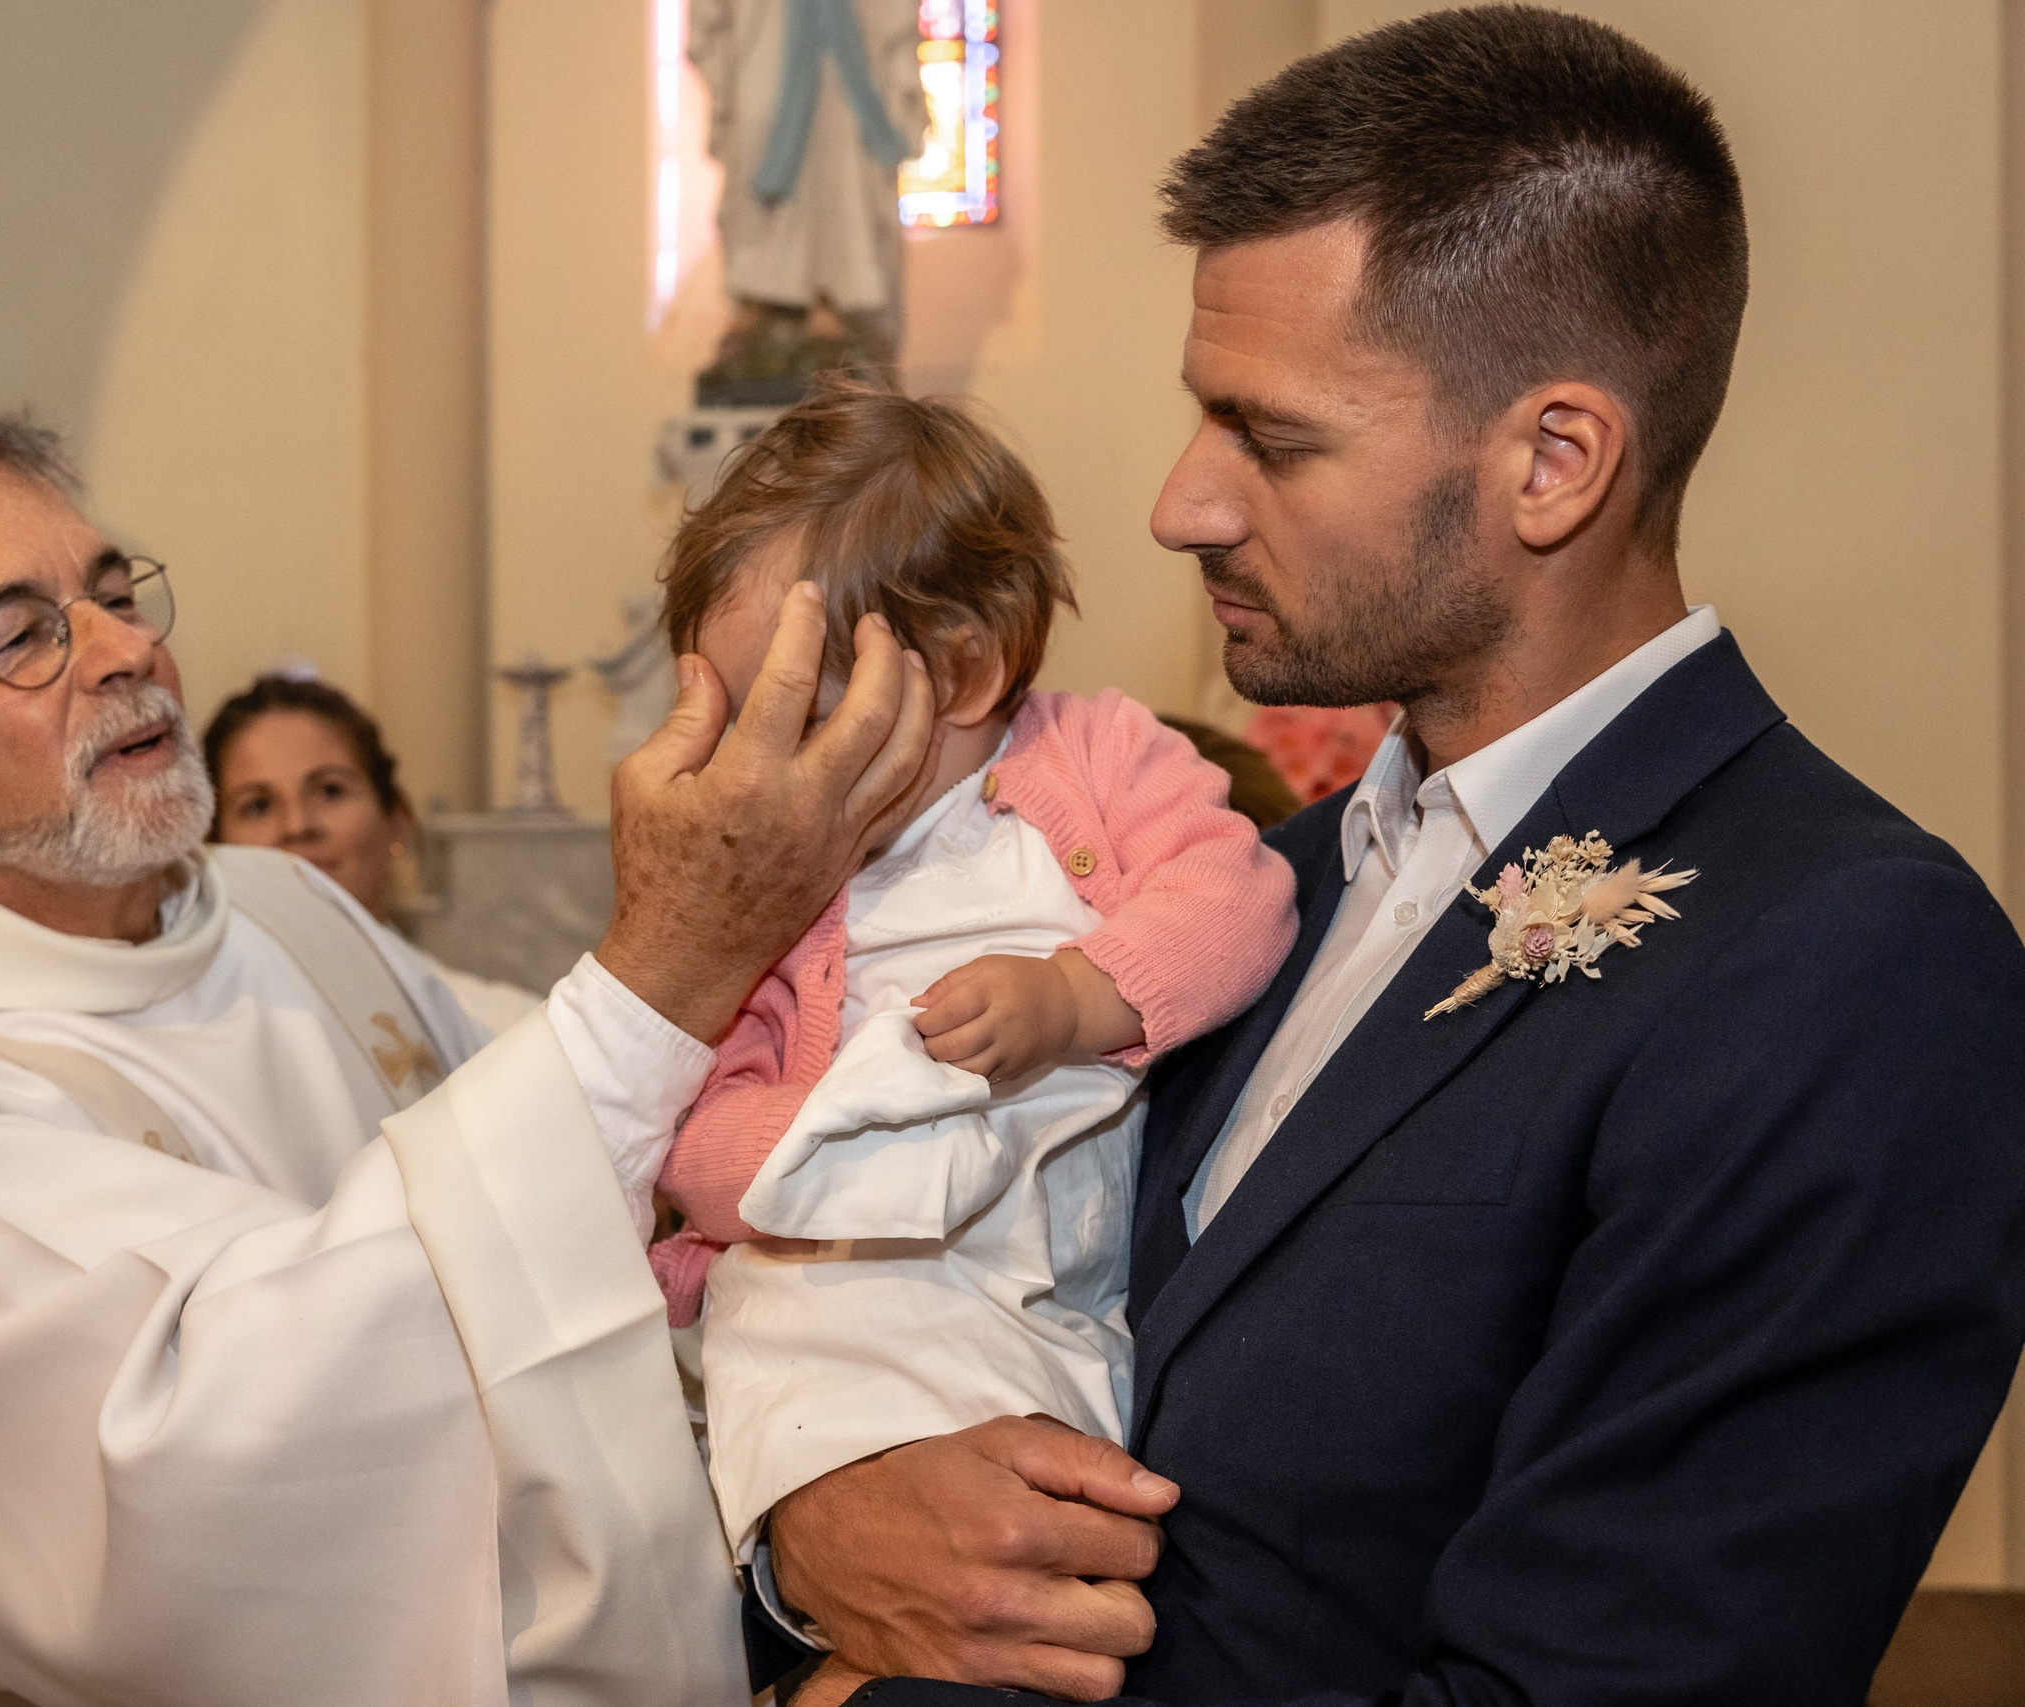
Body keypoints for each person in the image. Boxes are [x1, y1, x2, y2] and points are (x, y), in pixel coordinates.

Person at [755, 11, 2025, 1706]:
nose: (1180, 503)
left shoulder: (1851, 959)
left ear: (1554, 463)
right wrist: (799, 1537)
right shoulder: (1249, 891)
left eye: (1269, 438)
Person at [0, 399, 937, 1707]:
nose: (126, 649)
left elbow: (631, 1162)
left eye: (115, 590)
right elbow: (240, 1463)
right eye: (18, 634)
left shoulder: (276, 904)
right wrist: (677, 955)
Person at [643, 380, 1296, 1571]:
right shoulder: (775, 876)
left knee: (1044, 1534)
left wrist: (1076, 999)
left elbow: (1237, 895)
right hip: (826, 1290)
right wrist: (834, 1141)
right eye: (744, 720)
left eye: (803, 716)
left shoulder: (1097, 754)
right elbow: (695, 1126)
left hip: (1040, 1284)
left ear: (963, 669)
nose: (759, 765)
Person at [203, 670, 541, 1032]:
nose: (297, 826)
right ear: (213, 847)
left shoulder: (510, 1028)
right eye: (257, 806)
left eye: (330, 791)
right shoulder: (200, 1037)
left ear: (396, 822)